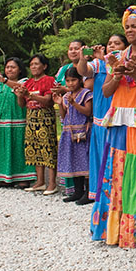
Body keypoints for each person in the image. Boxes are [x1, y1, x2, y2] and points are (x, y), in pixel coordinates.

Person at [91, 5, 136, 248]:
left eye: (135, 26)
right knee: (117, 170)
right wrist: (118, 74)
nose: (130, 30)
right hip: (119, 121)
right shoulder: (117, 57)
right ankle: (115, 229)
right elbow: (106, 91)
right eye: (128, 27)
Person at [77, 34, 128, 204]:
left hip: (117, 116)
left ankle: (116, 194)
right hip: (99, 117)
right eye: (109, 43)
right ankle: (99, 195)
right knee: (100, 156)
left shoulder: (125, 63)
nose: (112, 46)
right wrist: (83, 58)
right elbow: (83, 71)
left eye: (117, 43)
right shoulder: (99, 63)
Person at [0, 57, 34, 186]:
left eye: (13, 67)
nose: (9, 69)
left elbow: (22, 88)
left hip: (17, 121)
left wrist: (5, 80)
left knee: (18, 148)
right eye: (7, 67)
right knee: (0, 147)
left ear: (20, 70)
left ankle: (23, 178)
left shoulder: (24, 82)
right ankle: (3, 177)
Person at [16, 54, 58, 195]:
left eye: (36, 64)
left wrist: (30, 95)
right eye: (31, 64)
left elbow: (48, 101)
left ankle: (52, 183)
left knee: (48, 148)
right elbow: (22, 104)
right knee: (33, 148)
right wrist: (20, 95)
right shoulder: (28, 82)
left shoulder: (49, 80)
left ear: (44, 66)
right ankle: (40, 181)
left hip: (44, 116)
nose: (33, 67)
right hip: (31, 117)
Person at [54, 67, 93, 203]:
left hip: (83, 132)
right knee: (74, 160)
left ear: (80, 80)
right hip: (69, 132)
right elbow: (64, 116)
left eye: (73, 80)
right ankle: (78, 191)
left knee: (85, 161)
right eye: (68, 81)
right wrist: (60, 104)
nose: (70, 84)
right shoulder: (65, 96)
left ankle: (88, 192)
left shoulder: (86, 94)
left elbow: (87, 112)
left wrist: (74, 103)